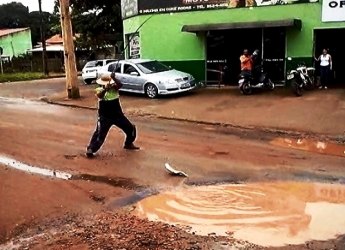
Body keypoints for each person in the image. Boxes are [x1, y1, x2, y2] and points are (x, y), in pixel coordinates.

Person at [86, 72, 139, 158]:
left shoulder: (114, 89)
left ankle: (128, 143)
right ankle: (91, 149)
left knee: (130, 128)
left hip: (118, 115)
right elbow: (100, 95)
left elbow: (120, 84)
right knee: (99, 134)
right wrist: (105, 89)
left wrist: (114, 78)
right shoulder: (99, 90)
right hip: (105, 117)